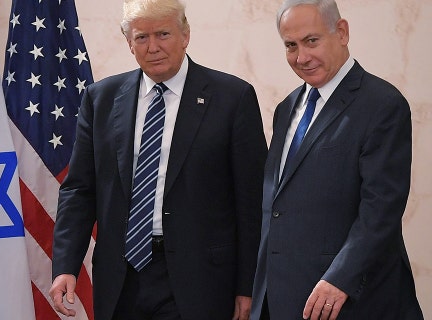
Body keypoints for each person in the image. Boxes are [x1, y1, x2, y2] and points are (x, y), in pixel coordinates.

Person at [49, 0, 268, 319]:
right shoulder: (102, 99)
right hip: (121, 278)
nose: (153, 47)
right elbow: (79, 191)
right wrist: (66, 265)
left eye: (163, 34)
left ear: (185, 35)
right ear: (128, 43)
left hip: (201, 280)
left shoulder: (232, 98)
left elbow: (252, 202)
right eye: (141, 37)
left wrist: (248, 285)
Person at [250, 1, 424, 319]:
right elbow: (276, 207)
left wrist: (340, 279)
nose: (301, 57)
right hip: (283, 299)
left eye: (311, 41)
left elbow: (381, 209)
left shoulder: (382, 105)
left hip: (349, 301)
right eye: (291, 45)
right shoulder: (286, 108)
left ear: (341, 32)